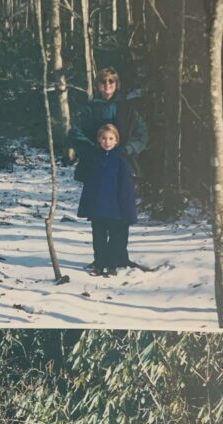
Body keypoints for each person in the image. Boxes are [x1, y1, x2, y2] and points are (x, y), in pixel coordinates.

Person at [68, 66, 147, 268]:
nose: (107, 85)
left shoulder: (127, 109)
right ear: (97, 85)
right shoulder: (89, 109)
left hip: (122, 168)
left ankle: (119, 257)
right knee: (99, 216)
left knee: (121, 215)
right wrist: (92, 149)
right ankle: (101, 259)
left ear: (116, 84)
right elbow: (74, 132)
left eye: (111, 81)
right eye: (103, 81)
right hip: (96, 170)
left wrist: (127, 149)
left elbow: (142, 134)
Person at [76, 123, 138, 277]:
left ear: (116, 140)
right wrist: (87, 206)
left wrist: (126, 208)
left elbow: (126, 186)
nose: (107, 142)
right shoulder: (94, 158)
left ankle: (112, 264)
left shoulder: (121, 159)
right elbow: (88, 183)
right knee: (98, 238)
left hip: (116, 208)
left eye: (111, 138)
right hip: (98, 207)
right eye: (104, 138)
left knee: (115, 239)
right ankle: (99, 263)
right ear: (99, 140)